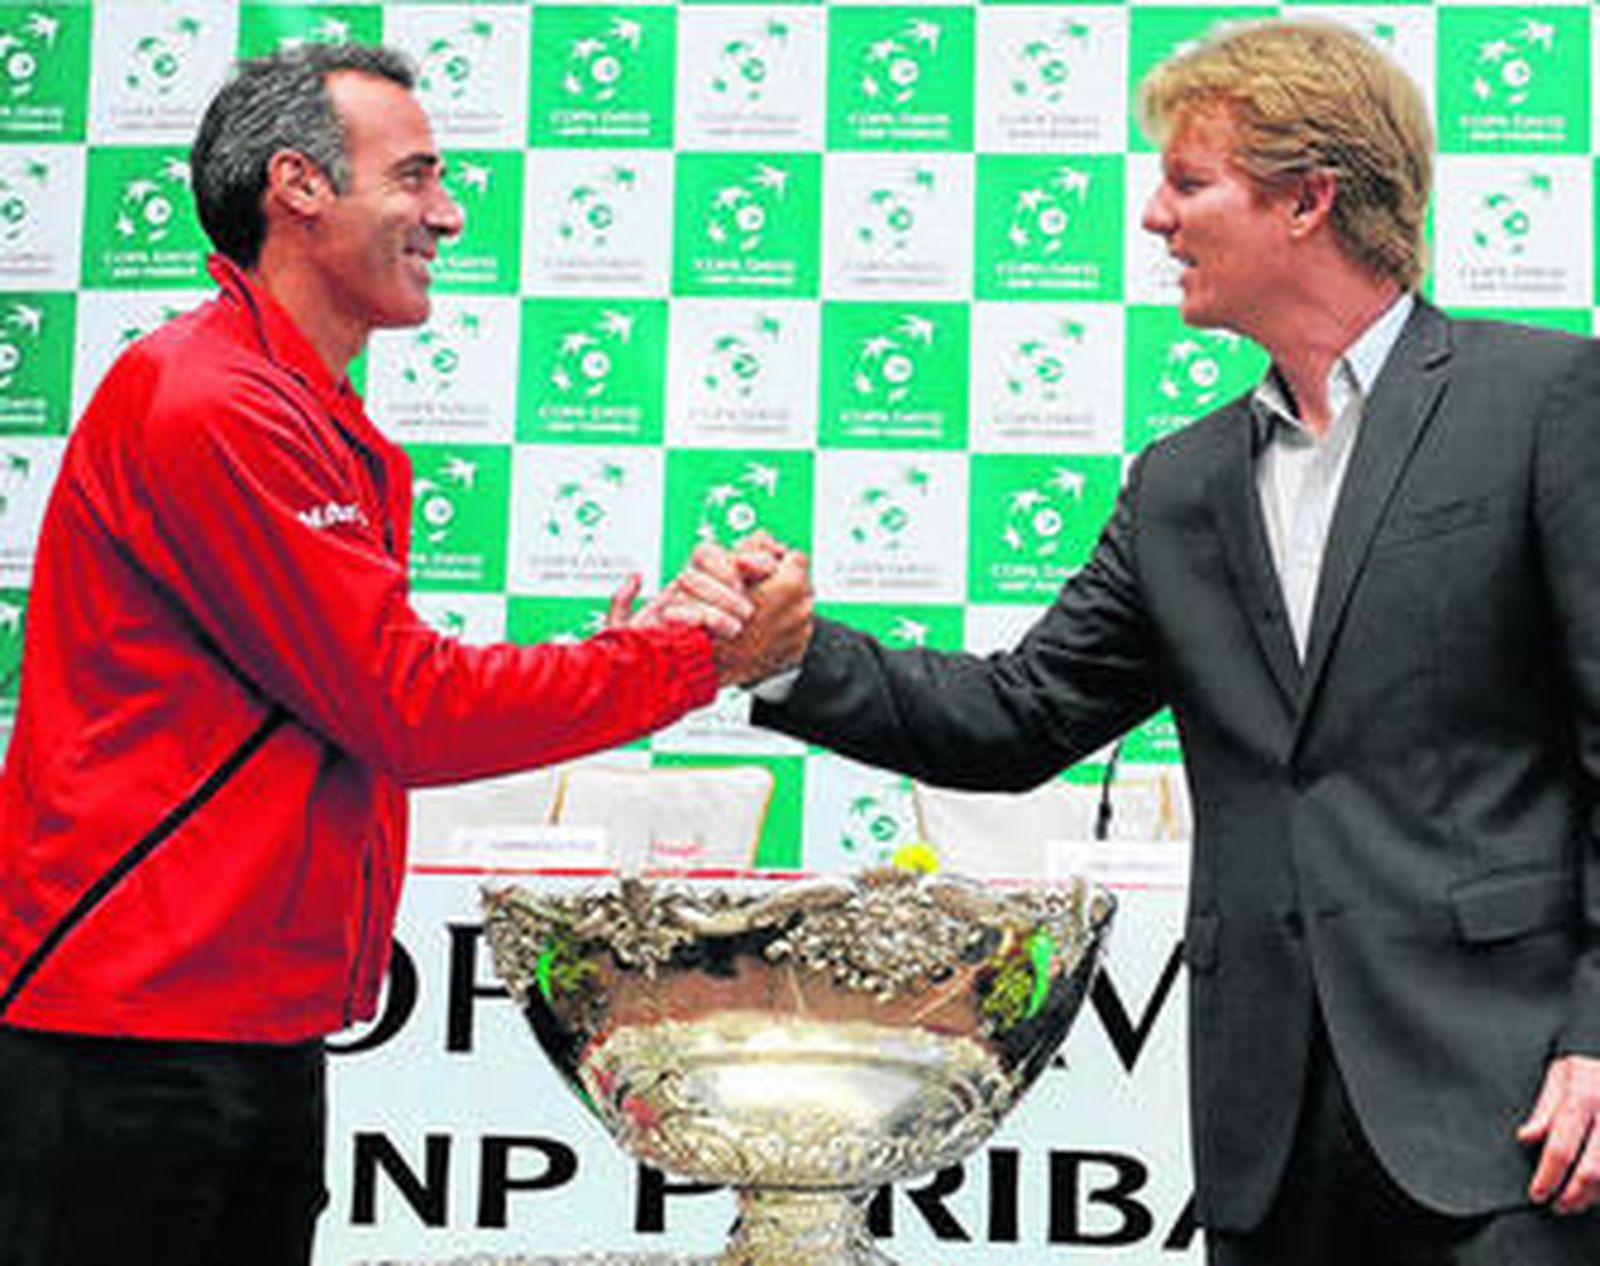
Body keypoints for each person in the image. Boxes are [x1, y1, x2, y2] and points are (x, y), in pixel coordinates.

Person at [732, 18, 1600, 1265]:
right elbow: (1017, 716)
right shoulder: (1180, 483)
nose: (1154, 218)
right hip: (1267, 1144)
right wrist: (784, 657)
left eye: (1188, 183)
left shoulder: (1545, 402)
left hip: (1519, 1127)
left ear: (1309, 198)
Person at [0, 43, 765, 1266]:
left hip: (235, 1023)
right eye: (415, 177)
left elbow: (368, 687)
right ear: (297, 187)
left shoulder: (293, 406)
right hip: (131, 1036)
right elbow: (404, 706)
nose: (449, 214)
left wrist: (636, 654)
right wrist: (684, 662)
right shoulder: (211, 401)